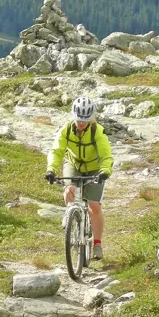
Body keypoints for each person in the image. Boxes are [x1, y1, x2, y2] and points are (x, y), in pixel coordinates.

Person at [44, 95, 113, 260]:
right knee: (69, 189)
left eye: (85, 120)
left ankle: (97, 244)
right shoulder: (66, 130)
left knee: (94, 206)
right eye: (79, 119)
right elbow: (56, 151)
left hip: (95, 167)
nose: (81, 123)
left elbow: (106, 156)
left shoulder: (98, 132)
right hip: (73, 163)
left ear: (91, 118)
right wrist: (51, 169)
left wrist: (104, 171)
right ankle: (70, 214)